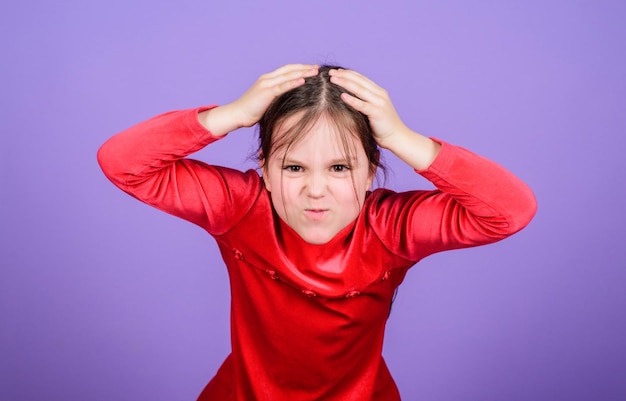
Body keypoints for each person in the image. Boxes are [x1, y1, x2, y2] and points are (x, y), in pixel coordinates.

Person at [97, 64, 537, 400]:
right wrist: (232, 114)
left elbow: (510, 210)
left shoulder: (391, 227)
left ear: (370, 174)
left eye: (340, 168)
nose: (315, 190)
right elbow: (122, 161)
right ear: (265, 170)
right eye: (293, 167)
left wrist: (402, 137)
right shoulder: (242, 207)